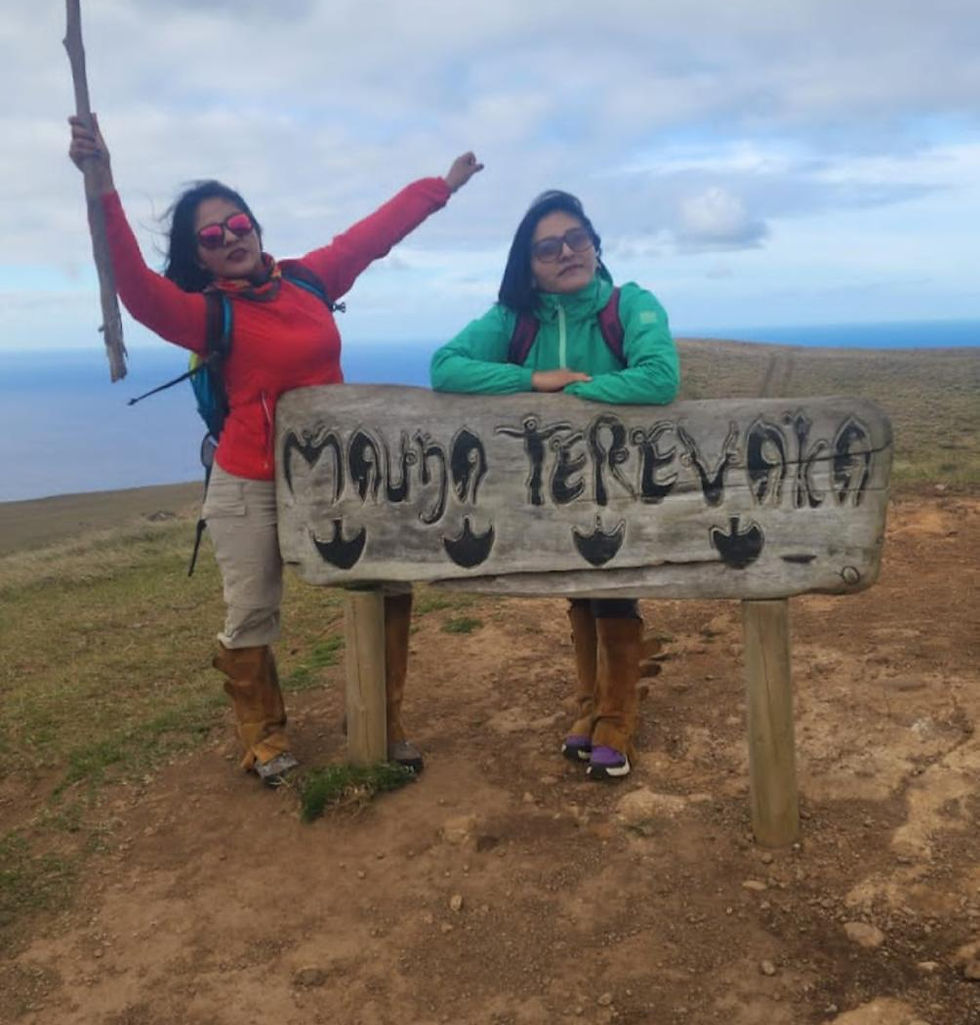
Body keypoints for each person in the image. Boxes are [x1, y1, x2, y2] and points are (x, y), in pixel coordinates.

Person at [69, 113, 482, 784]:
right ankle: (263, 736)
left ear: (257, 229)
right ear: (199, 254)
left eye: (239, 224)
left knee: (386, 586)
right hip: (249, 479)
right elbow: (138, 291)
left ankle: (381, 719)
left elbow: (371, 236)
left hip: (339, 479)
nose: (230, 237)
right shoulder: (210, 312)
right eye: (212, 235)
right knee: (253, 606)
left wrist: (441, 186)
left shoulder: (310, 280)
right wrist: (104, 184)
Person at [430, 190, 679, 780]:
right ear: (529, 264)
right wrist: (532, 378)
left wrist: (572, 396)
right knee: (580, 587)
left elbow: (660, 377)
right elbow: (446, 366)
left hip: (622, 482)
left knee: (613, 584)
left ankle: (616, 717)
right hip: (553, 489)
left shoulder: (630, 304)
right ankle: (593, 704)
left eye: (577, 239)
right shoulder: (512, 320)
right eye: (548, 247)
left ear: (594, 243)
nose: (566, 252)